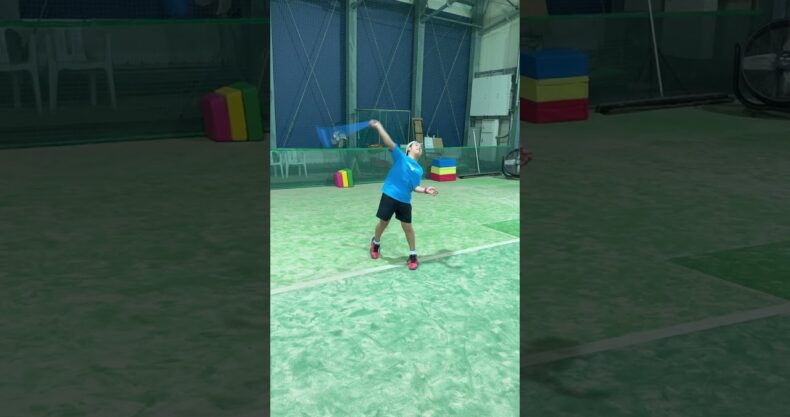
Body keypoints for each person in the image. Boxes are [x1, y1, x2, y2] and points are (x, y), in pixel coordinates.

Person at [368, 119, 438, 270]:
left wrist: (425, 190)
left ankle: (413, 255)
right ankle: (376, 243)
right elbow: (389, 142)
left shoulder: (419, 169)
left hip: (405, 201)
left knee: (407, 227)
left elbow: (414, 186)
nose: (419, 146)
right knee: (383, 223)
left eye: (420, 146)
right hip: (390, 194)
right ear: (409, 149)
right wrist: (379, 126)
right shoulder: (400, 157)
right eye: (416, 145)